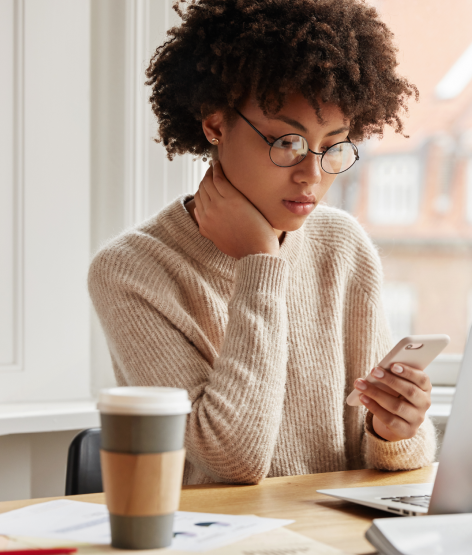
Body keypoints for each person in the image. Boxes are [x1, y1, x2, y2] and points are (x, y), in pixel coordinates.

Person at [89, 0, 436, 485]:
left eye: (333, 145)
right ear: (215, 125)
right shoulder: (131, 270)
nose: (312, 175)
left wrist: (394, 429)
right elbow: (232, 459)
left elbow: (379, 458)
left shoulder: (342, 246)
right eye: (286, 142)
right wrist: (260, 262)